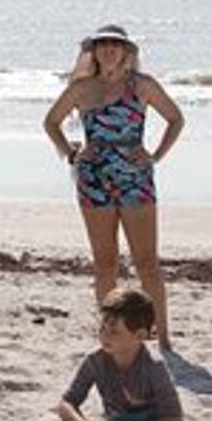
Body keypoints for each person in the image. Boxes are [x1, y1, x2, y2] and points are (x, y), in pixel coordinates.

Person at [42, 25, 185, 343]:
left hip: (135, 179)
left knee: (146, 263)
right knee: (105, 263)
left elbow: (176, 119)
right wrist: (71, 153)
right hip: (94, 180)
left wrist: (155, 155)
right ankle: (111, 335)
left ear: (126, 51)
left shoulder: (142, 85)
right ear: (93, 51)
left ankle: (162, 337)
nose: (109, 49)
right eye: (103, 43)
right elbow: (51, 122)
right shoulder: (82, 88)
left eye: (115, 44)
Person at [41, 286, 199, 421]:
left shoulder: (154, 366)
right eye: (102, 327)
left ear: (140, 335)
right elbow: (67, 403)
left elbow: (173, 420)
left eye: (114, 331)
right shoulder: (95, 361)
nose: (104, 335)